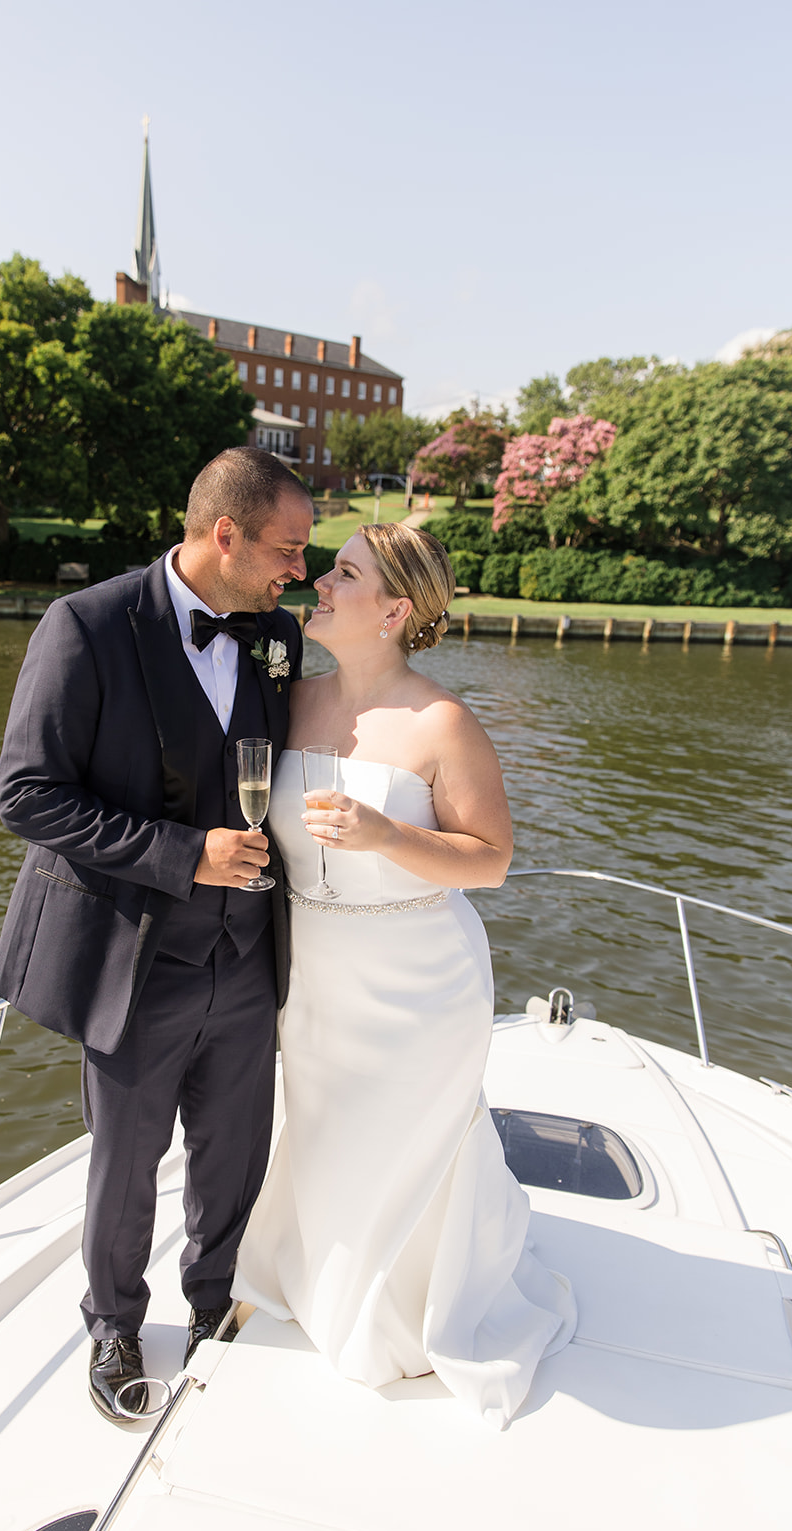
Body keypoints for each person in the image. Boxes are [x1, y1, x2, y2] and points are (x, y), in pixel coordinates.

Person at [0, 446, 311, 1424]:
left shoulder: (279, 636)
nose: (296, 569)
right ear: (225, 534)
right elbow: (27, 795)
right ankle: (114, 1320)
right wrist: (181, 855)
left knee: (234, 1150)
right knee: (123, 1160)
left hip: (249, 956)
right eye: (286, 549)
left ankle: (214, 1299)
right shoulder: (83, 627)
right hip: (132, 960)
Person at [233, 522, 576, 1429]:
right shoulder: (288, 703)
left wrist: (387, 835)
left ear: (392, 610)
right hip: (312, 972)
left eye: (342, 573)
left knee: (408, 1144)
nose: (318, 580)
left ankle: (411, 1312)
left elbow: (491, 859)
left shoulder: (441, 723)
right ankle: (319, 1285)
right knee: (323, 1134)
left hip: (419, 978)